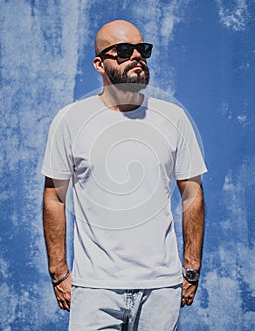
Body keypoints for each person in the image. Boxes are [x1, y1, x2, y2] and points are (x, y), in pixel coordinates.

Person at [42, 19, 207, 330]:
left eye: (141, 49)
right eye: (123, 50)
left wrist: (191, 268)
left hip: (161, 288)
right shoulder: (71, 120)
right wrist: (59, 271)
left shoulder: (173, 118)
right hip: (95, 288)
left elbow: (192, 194)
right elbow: (54, 196)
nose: (136, 56)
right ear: (99, 64)